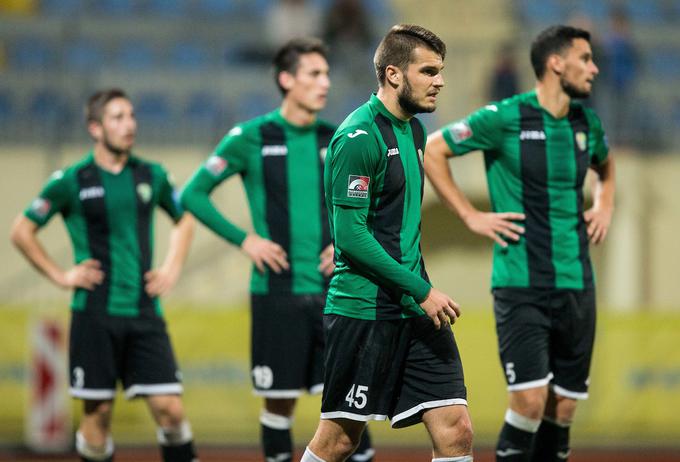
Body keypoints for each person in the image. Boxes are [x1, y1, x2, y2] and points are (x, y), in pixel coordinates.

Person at [424, 25, 615, 462]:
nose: (594, 68)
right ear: (556, 63)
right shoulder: (505, 117)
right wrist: (470, 215)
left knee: (562, 407)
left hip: (577, 282)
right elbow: (434, 149)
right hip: (520, 284)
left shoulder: (587, 123)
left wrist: (604, 205)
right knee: (530, 401)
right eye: (585, 58)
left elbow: (606, 166)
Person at [180, 38, 374, 462]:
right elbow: (192, 195)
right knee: (278, 404)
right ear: (286, 80)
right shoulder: (250, 136)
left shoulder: (341, 137)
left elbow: (372, 199)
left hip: (336, 294)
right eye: (314, 74)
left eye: (326, 74)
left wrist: (345, 243)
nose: (324, 83)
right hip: (277, 294)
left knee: (351, 407)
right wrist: (245, 240)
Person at [300, 24, 473, 462]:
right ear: (394, 75)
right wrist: (422, 289)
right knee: (340, 440)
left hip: (415, 310)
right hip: (364, 309)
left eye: (441, 70)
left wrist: (418, 292)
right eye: (429, 71)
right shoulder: (357, 138)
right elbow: (351, 237)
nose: (440, 81)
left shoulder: (415, 131)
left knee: (456, 430)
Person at [10, 88, 198, 462]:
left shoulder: (152, 174)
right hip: (94, 313)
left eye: (131, 116)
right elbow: (21, 230)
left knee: (171, 410)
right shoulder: (71, 180)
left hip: (145, 312)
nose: (129, 125)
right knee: (97, 418)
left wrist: (171, 268)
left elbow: (186, 217)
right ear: (95, 128)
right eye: (117, 117)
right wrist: (61, 276)